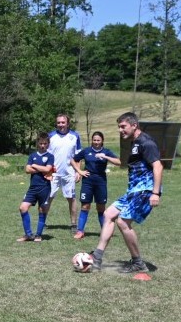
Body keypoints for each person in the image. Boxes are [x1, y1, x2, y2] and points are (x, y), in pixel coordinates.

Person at [90, 113, 163, 273]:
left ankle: (138, 263)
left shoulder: (146, 142)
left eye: (123, 126)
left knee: (123, 222)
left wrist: (155, 193)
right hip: (133, 191)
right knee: (108, 214)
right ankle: (97, 256)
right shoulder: (134, 143)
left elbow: (158, 166)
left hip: (146, 190)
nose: (120, 130)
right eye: (119, 127)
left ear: (134, 125)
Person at [70, 131, 121, 240]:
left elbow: (118, 162)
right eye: (94, 140)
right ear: (92, 141)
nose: (96, 142)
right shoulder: (86, 151)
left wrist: (106, 157)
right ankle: (80, 231)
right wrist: (80, 171)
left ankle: (105, 231)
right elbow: (73, 160)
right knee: (85, 206)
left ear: (102, 141)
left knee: (101, 207)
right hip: (87, 182)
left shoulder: (106, 151)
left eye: (98, 140)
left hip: (101, 182)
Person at [46, 113, 82, 233]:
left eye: (63, 122)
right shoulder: (50, 136)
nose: (61, 125)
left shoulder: (75, 136)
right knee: (48, 197)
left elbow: (78, 156)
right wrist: (47, 171)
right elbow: (47, 155)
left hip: (69, 173)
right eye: (59, 122)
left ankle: (73, 224)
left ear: (67, 123)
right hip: (53, 174)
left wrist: (78, 172)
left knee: (71, 198)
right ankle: (43, 222)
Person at [19, 133, 54, 242]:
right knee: (23, 208)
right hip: (33, 188)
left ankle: (38, 235)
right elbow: (27, 170)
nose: (43, 145)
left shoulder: (50, 156)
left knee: (42, 210)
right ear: (37, 144)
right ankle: (28, 235)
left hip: (45, 187)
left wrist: (34, 166)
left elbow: (48, 169)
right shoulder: (32, 155)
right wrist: (41, 168)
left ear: (48, 144)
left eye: (45, 143)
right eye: (41, 143)